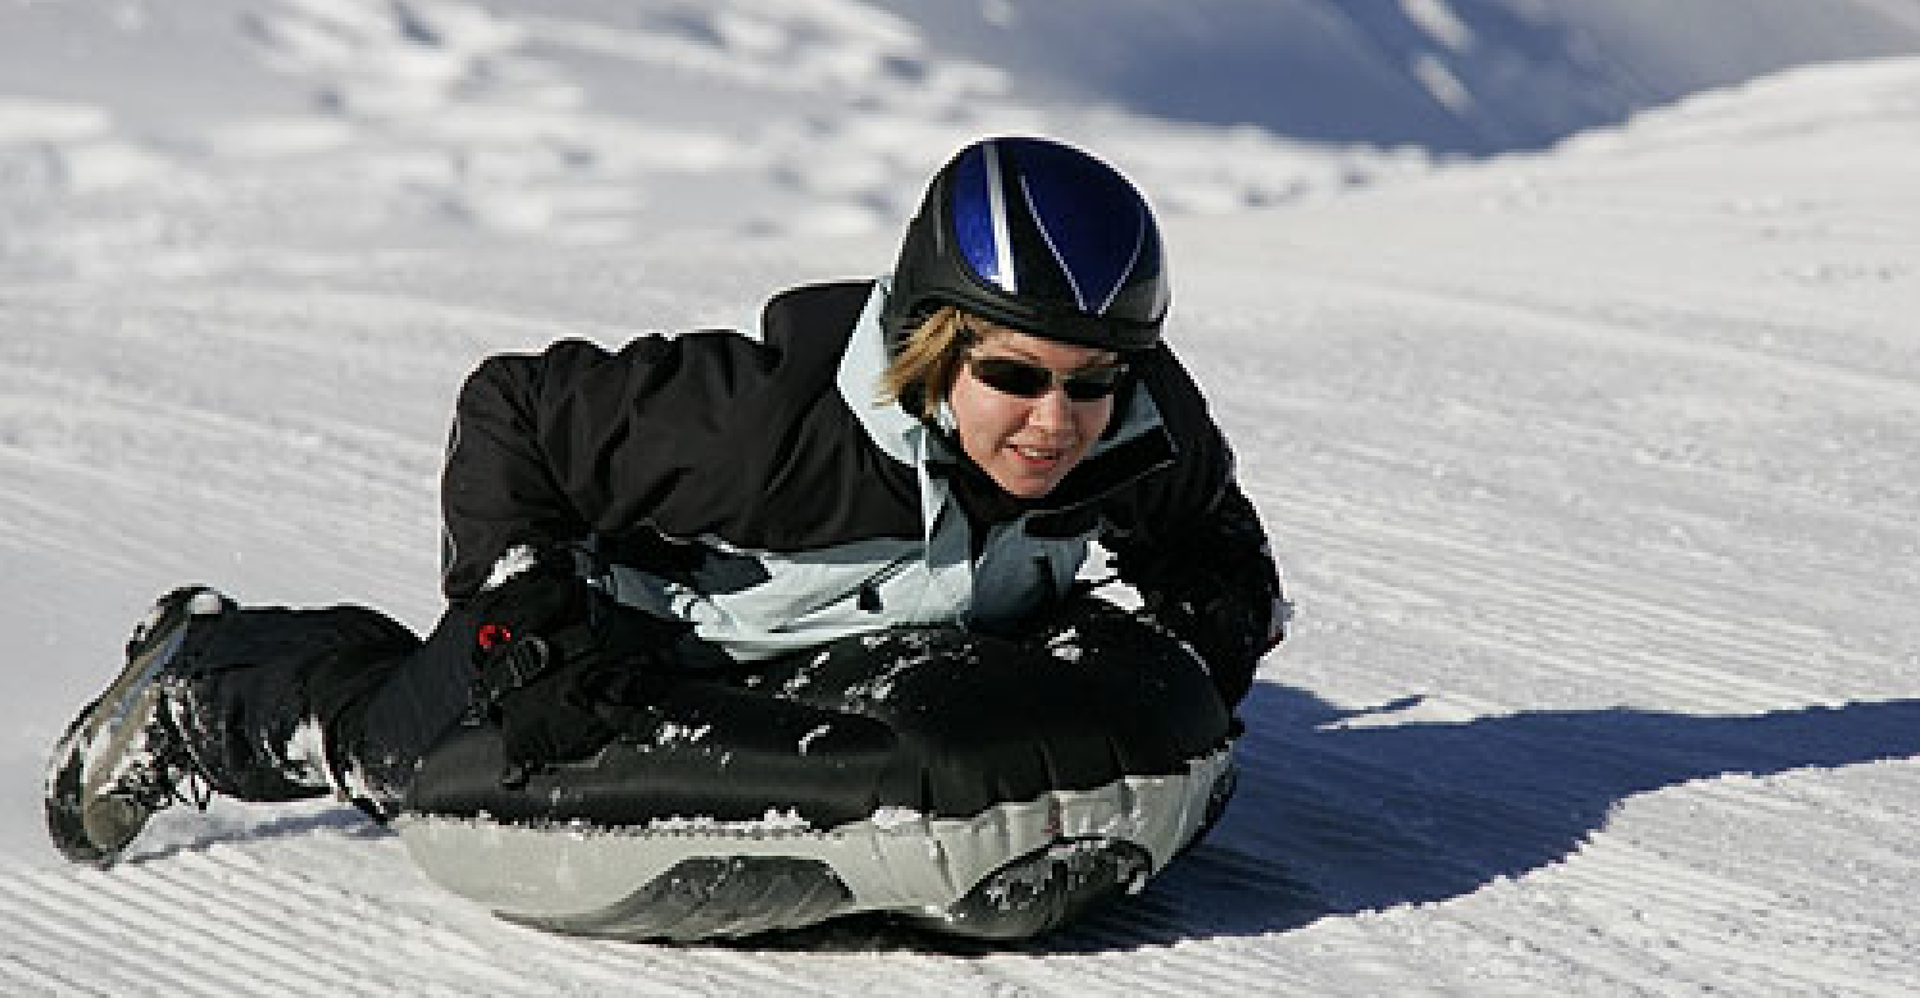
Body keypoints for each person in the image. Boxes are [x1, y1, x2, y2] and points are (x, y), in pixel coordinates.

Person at [47, 135, 1289, 870]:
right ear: (933, 342)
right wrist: (526, 598)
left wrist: (1213, 626)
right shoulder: (759, 426)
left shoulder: (1136, 427)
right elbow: (512, 409)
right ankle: (203, 681)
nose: (1056, 421)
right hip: (631, 633)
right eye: (1012, 376)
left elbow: (1206, 535)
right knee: (403, 752)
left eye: (1090, 381)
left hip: (835, 659)